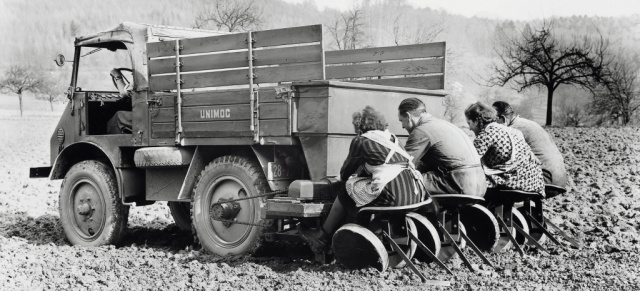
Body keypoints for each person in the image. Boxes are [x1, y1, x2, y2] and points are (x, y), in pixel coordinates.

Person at [298, 106, 431, 253]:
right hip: (414, 192)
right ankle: (362, 229)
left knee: (346, 192)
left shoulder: (362, 140)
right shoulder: (393, 139)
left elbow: (345, 173)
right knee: (362, 191)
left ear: (360, 127)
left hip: (394, 195)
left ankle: (322, 237)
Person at [397, 98, 486, 196]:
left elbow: (402, 165)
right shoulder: (445, 124)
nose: (402, 126)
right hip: (480, 185)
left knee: (404, 182)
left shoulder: (421, 131)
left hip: (458, 184)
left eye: (402, 121)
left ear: (408, 116)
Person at [464, 102, 545, 194]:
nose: (469, 128)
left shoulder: (487, 134)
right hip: (534, 183)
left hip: (515, 183)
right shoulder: (514, 131)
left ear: (477, 121)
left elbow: (469, 161)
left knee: (468, 180)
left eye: (469, 123)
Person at [492, 101, 569, 189]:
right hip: (561, 180)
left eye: (494, 120)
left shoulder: (511, 130)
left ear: (501, 118)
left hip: (545, 179)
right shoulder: (529, 123)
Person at [106, 68, 133, 134]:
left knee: (118, 115)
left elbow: (123, 93)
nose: (132, 73)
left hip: (143, 115)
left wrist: (117, 76)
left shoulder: (141, 81)